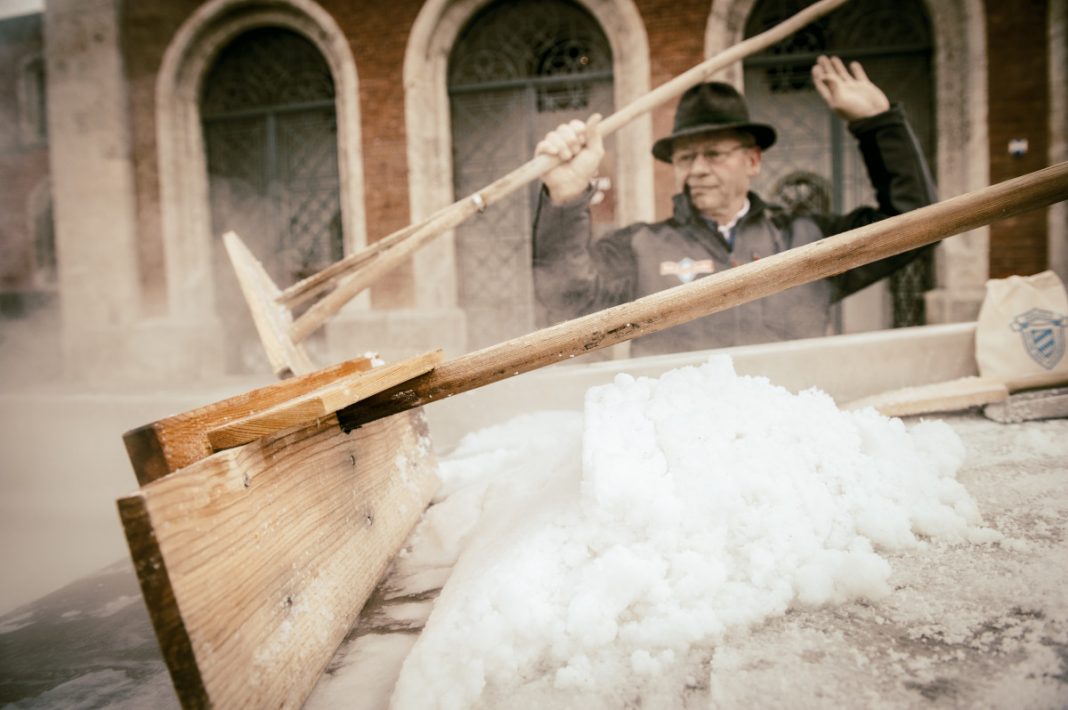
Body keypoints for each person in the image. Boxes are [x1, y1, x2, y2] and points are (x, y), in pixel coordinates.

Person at [532, 55, 937, 356]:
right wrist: (565, 199)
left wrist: (879, 126)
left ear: (753, 161)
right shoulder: (641, 248)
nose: (698, 169)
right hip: (680, 446)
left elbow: (916, 227)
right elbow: (567, 299)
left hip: (789, 435)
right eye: (686, 158)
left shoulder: (807, 240)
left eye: (714, 154)